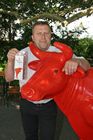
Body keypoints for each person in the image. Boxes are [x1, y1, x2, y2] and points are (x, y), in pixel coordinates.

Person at [5, 21, 90, 140]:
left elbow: (86, 65)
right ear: (33, 37)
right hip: (26, 103)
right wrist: (10, 61)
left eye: (46, 33)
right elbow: (8, 78)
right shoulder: (22, 54)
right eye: (39, 33)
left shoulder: (60, 53)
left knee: (48, 137)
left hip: (49, 104)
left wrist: (77, 61)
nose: (43, 37)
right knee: (30, 137)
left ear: (51, 35)